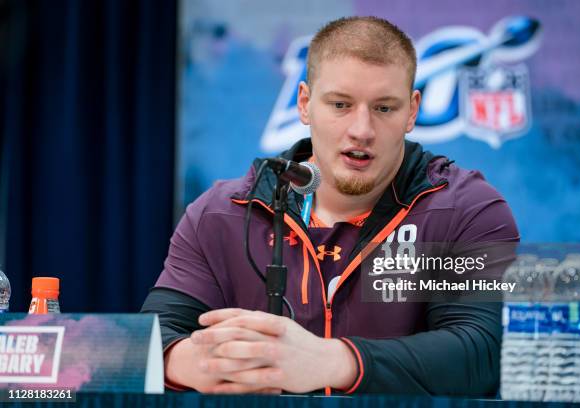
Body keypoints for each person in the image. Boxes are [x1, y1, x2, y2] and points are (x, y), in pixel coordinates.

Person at [141, 16, 519, 396]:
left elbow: (483, 354)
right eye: (340, 104)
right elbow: (144, 344)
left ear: (412, 111)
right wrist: (192, 362)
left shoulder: (465, 210)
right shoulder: (223, 213)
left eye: (385, 108)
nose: (362, 130)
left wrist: (332, 361)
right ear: (304, 104)